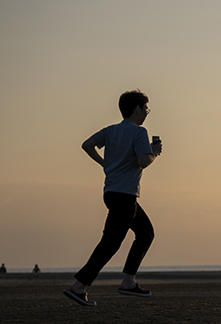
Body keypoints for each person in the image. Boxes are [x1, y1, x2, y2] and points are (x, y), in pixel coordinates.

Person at [63, 90, 163, 306]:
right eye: (145, 108)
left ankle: (128, 280)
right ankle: (80, 285)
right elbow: (144, 161)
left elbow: (87, 144)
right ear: (137, 109)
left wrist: (103, 163)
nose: (146, 113)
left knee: (145, 233)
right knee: (111, 242)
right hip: (125, 196)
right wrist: (154, 151)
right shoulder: (139, 132)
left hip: (112, 193)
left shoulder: (111, 131)